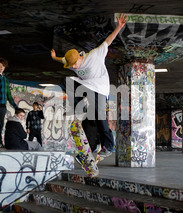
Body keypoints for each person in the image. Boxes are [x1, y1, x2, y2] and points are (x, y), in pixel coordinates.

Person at [50, 13, 127, 157]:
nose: (76, 67)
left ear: (80, 57)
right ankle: (80, 109)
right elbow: (62, 60)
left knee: (98, 117)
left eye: (76, 65)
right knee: (66, 81)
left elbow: (107, 41)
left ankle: (109, 146)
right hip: (87, 86)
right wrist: (54, 58)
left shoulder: (94, 55)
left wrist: (118, 27)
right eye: (72, 66)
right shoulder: (72, 64)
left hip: (100, 88)